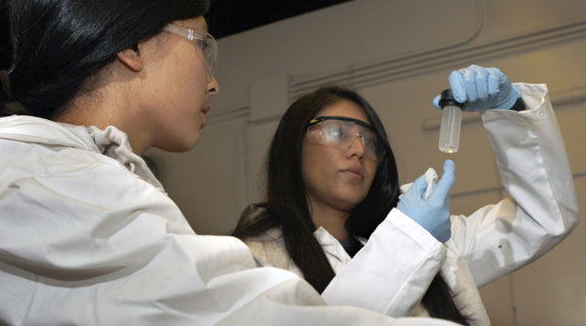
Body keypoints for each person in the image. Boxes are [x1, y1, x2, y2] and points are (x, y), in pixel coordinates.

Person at [0, 0, 464, 325]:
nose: (213, 81)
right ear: (132, 45)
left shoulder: (84, 180)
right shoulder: (39, 180)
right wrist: (408, 243)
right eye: (202, 45)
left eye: (367, 138)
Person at [232, 65, 579, 326]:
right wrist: (408, 241)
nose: (358, 150)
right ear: (293, 145)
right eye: (338, 132)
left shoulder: (434, 239)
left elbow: (543, 217)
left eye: (370, 141)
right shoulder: (257, 262)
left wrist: (510, 109)